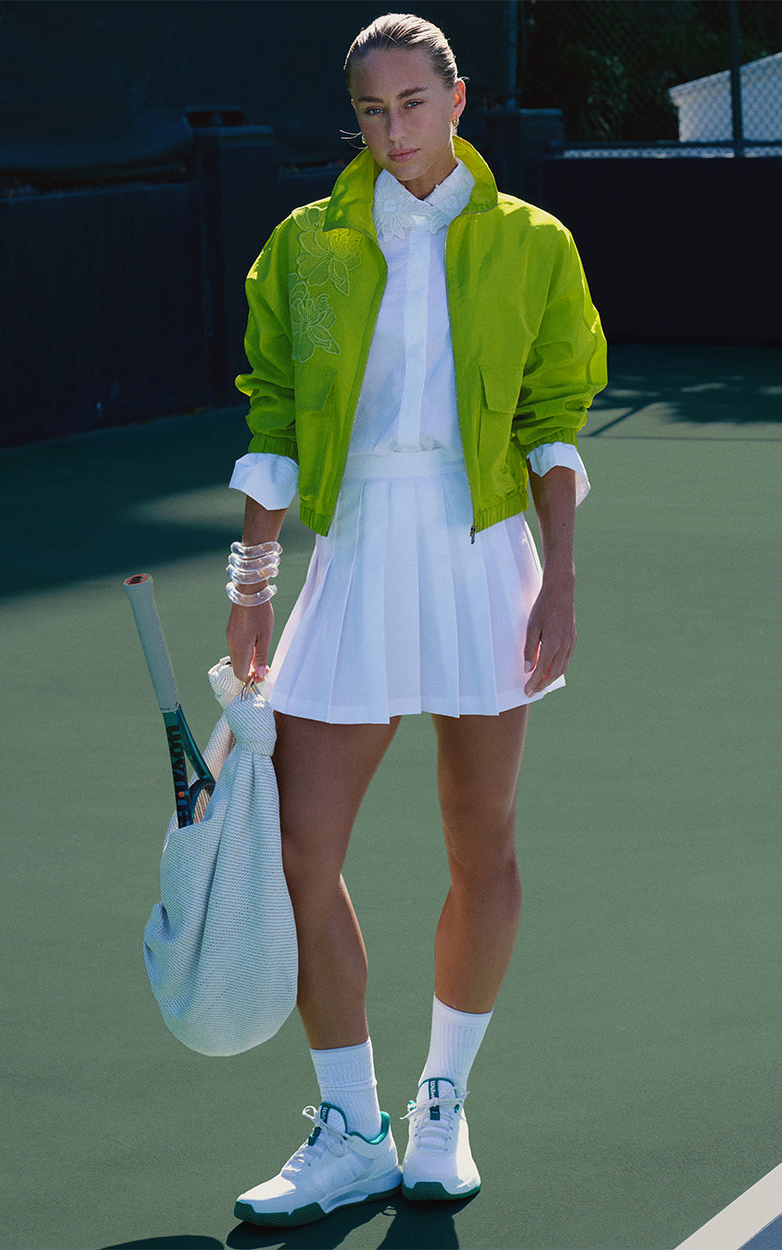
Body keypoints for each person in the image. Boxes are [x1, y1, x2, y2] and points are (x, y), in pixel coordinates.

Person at [225, 11, 606, 1228]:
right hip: (355, 549)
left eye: (413, 103)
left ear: (457, 98)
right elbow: (273, 408)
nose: (394, 132)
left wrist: (559, 574)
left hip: (481, 546)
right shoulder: (305, 242)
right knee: (298, 849)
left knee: (478, 838)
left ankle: (439, 1106)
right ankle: (347, 1124)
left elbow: (555, 411)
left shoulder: (531, 242)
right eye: (372, 112)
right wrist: (252, 581)